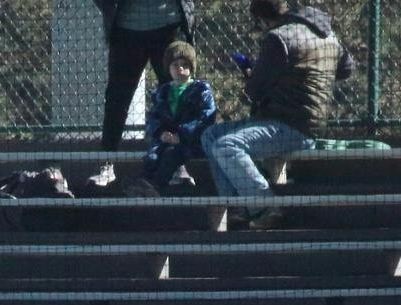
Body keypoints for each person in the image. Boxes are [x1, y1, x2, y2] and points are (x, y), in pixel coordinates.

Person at [200, 0, 342, 229]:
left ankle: (264, 207)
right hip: (305, 121)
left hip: (290, 124)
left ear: (263, 18)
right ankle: (239, 207)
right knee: (210, 135)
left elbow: (254, 90)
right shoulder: (328, 34)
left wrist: (252, 72)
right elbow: (346, 68)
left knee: (226, 146)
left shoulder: (278, 38)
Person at [89, 0, 197, 187]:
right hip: (126, 30)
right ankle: (106, 165)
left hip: (169, 26)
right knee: (117, 100)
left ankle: (177, 165)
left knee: (175, 97)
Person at [134, 40, 217, 195]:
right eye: (175, 65)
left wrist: (182, 135)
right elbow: (153, 117)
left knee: (171, 154)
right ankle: (143, 182)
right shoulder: (162, 92)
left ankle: (156, 187)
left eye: (185, 65)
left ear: (191, 68)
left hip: (191, 141)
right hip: (167, 138)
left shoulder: (200, 90)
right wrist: (160, 133)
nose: (180, 68)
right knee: (152, 155)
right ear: (168, 69)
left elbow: (205, 117)